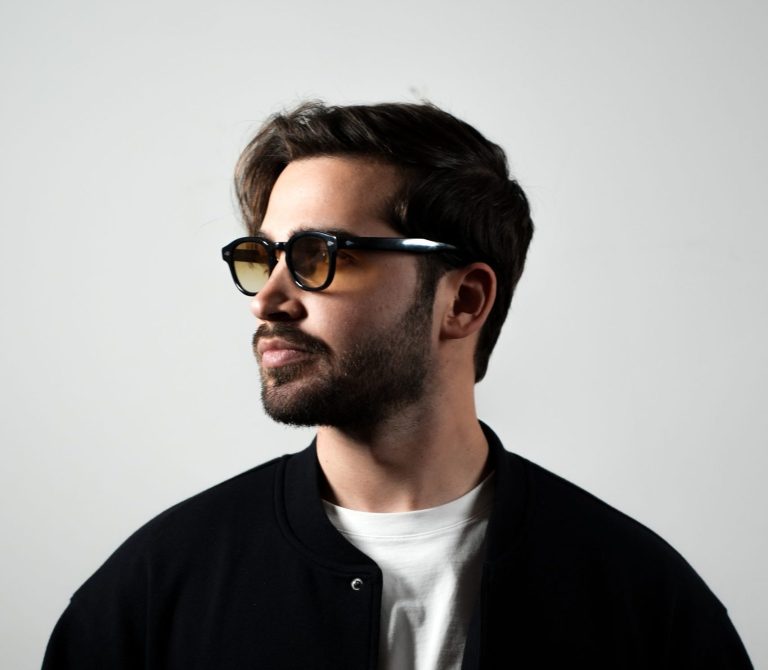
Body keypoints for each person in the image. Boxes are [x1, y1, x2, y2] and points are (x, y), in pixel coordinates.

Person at [42, 101, 753, 669]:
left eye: (320, 256)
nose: (269, 300)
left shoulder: (642, 601)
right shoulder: (153, 592)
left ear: (464, 301)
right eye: (263, 258)